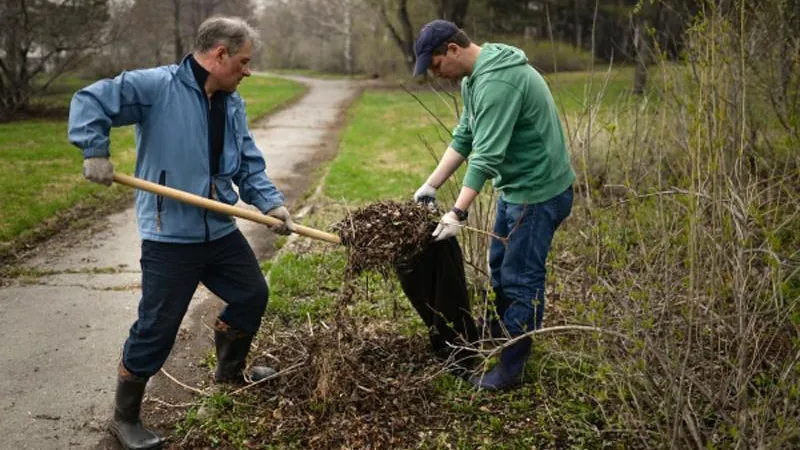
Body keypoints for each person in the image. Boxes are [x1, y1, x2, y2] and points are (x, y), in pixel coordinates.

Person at [68, 16, 293, 450]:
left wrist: (271, 203)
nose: (248, 71)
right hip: (169, 234)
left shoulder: (232, 102)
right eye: (244, 61)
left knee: (251, 294)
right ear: (219, 54)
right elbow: (89, 100)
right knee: (158, 327)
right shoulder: (156, 88)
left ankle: (230, 374)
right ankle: (125, 418)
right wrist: (94, 149)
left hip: (218, 228)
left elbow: (247, 161)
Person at [411, 20, 575, 391]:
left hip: (539, 193)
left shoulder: (498, 83)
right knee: (499, 265)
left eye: (436, 65)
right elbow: (466, 135)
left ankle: (511, 368)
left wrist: (458, 211)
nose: (437, 75)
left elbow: (485, 155)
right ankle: (504, 331)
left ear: (453, 49)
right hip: (516, 189)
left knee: (521, 279)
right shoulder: (474, 79)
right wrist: (431, 185)